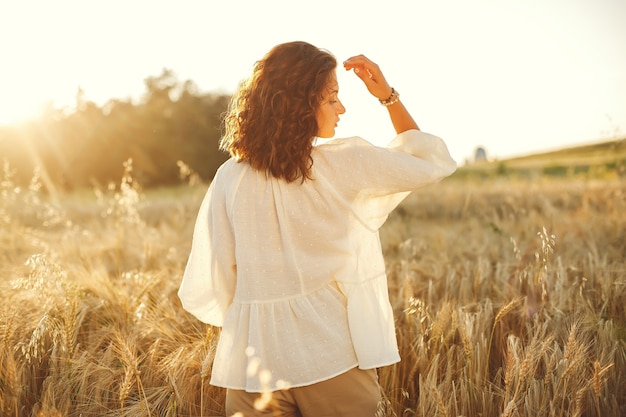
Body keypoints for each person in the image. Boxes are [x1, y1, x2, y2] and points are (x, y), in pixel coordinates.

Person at [178, 41, 456, 416]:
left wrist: (258, 318)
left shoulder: (229, 177)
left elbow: (218, 277)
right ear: (299, 104)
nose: (341, 108)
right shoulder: (345, 163)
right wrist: (387, 97)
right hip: (331, 357)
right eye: (332, 99)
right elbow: (430, 160)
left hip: (254, 365)